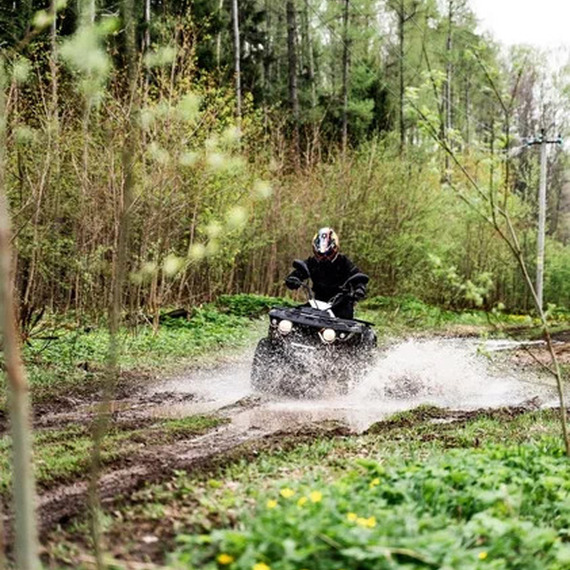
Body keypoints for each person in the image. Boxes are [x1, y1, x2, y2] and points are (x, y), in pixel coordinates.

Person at [285, 227, 366, 319]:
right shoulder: (312, 262)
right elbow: (299, 272)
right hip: (318, 303)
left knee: (345, 324)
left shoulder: (344, 262)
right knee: (294, 318)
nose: (324, 258)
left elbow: (358, 277)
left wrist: (359, 289)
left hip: (341, 304)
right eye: (320, 255)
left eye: (328, 254)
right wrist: (293, 280)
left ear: (335, 249)